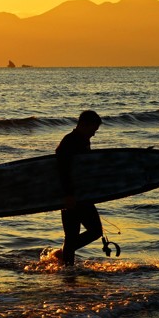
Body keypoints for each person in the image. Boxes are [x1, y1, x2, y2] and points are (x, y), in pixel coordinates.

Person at [53, 110, 103, 265]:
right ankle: (63, 255)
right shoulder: (70, 141)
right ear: (84, 125)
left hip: (78, 194)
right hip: (74, 195)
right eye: (93, 130)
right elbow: (61, 168)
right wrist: (68, 195)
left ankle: (68, 274)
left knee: (72, 236)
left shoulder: (82, 140)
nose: (94, 134)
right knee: (95, 231)